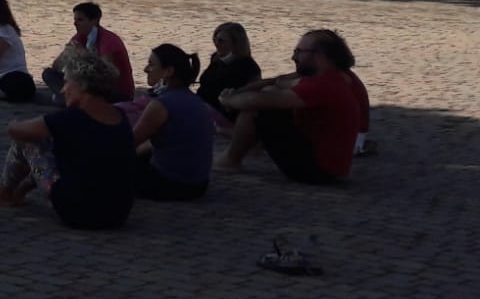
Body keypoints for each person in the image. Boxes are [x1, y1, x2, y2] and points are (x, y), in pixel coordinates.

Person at [0, 52, 135, 229]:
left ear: (82, 85)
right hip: (118, 214)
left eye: (67, 82)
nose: (63, 89)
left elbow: (17, 131)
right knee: (56, 148)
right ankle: (18, 191)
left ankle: (3, 191)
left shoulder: (70, 118)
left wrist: (13, 123)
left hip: (79, 212)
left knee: (29, 142)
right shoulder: (119, 115)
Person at [216, 29, 361, 184]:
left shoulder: (323, 84)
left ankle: (230, 161)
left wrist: (227, 101)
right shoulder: (335, 75)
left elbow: (255, 100)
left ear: (318, 55)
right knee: (268, 93)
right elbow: (276, 82)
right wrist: (238, 93)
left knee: (259, 107)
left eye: (299, 52)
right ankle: (246, 149)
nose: (293, 57)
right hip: (328, 165)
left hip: (320, 172)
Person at [131, 44, 214, 200]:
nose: (146, 69)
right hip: (199, 185)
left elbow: (128, 143)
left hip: (171, 185)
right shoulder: (196, 101)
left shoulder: (161, 104)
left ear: (168, 71)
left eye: (151, 64)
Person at [42, 2, 134, 103]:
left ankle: (67, 99)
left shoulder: (108, 39)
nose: (75, 24)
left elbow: (107, 76)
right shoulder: (79, 37)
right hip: (89, 86)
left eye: (80, 20)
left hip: (116, 92)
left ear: (94, 21)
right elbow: (56, 66)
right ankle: (69, 98)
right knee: (48, 73)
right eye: (75, 20)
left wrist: (85, 54)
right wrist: (68, 54)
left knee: (78, 87)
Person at [196, 21, 262, 128]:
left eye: (221, 41)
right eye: (215, 39)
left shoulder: (249, 67)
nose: (216, 44)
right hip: (203, 108)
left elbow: (251, 97)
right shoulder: (217, 60)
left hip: (224, 115)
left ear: (236, 44)